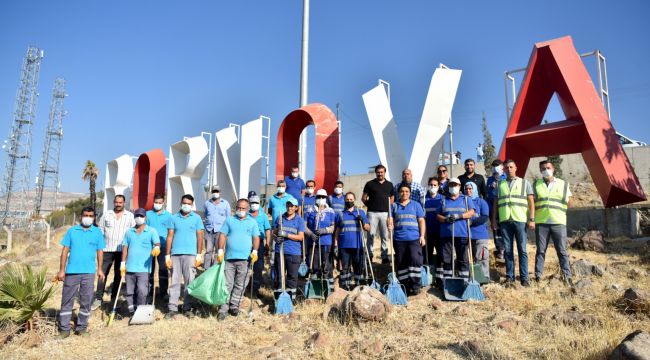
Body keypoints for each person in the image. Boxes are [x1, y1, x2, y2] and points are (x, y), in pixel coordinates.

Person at [56, 207, 105, 338]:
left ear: (94, 217)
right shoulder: (72, 231)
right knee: (67, 300)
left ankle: (82, 328)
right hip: (71, 272)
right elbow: (65, 251)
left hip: (89, 273)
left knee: (86, 300)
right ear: (80, 216)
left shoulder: (97, 233)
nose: (88, 217)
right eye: (85, 215)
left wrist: (100, 269)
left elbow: (100, 252)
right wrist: (62, 270)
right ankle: (64, 329)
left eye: (90, 215)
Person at [491, 159, 535, 287]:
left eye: (511, 167)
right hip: (505, 221)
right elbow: (495, 204)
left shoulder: (524, 183)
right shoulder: (500, 184)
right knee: (508, 250)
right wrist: (494, 220)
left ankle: (524, 278)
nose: (509, 169)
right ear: (504, 170)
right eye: (507, 167)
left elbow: (531, 201)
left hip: (520, 220)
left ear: (515, 168)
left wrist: (532, 219)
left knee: (522, 250)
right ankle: (510, 277)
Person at [216, 199, 260, 321]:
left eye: (243, 208)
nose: (241, 210)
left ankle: (234, 306)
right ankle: (223, 309)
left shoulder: (252, 222)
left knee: (240, 284)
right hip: (229, 258)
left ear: (248, 209)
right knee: (227, 284)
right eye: (239, 208)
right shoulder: (230, 220)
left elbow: (256, 238)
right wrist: (220, 249)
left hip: (245, 259)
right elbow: (223, 235)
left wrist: (255, 251)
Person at [165, 194, 205, 319]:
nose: (186, 205)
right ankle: (172, 308)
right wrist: (167, 255)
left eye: (188, 203)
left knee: (189, 282)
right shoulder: (173, 218)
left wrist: (199, 254)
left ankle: (187, 308)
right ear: (180, 203)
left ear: (192, 205)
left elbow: (200, 236)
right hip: (175, 254)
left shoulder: (197, 218)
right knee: (175, 282)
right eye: (184, 203)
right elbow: (170, 236)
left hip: (191, 255)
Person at [533, 160, 573, 284]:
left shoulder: (563, 184)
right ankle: (538, 276)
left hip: (558, 222)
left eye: (548, 167)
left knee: (562, 251)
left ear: (553, 168)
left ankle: (567, 276)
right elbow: (532, 203)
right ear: (540, 170)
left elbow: (570, 203)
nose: (546, 170)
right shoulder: (535, 185)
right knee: (540, 251)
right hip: (541, 222)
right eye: (543, 168)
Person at [93, 195, 135, 310]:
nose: (118, 204)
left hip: (122, 251)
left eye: (120, 202)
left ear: (124, 203)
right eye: (116, 202)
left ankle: (114, 299)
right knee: (102, 274)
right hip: (107, 250)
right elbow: (100, 230)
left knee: (118, 275)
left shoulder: (130, 216)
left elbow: (133, 232)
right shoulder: (107, 214)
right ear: (113, 202)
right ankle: (98, 298)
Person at [121, 208, 160, 318]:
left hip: (144, 268)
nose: (139, 218)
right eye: (137, 216)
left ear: (145, 218)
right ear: (134, 217)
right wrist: (122, 263)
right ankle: (131, 311)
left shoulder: (151, 231)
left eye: (141, 216)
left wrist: (156, 248)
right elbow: (125, 247)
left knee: (142, 291)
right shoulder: (129, 232)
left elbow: (157, 243)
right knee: (130, 291)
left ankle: (141, 310)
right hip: (130, 267)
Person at [387, 185, 426, 295]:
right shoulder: (393, 206)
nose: (404, 193)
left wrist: (422, 236)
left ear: (410, 193)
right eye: (402, 191)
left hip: (414, 238)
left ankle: (415, 285)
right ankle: (404, 286)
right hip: (399, 239)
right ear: (399, 193)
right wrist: (389, 226)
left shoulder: (416, 205)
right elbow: (390, 220)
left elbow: (421, 221)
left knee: (415, 260)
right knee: (401, 262)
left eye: (407, 191)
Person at [436, 178, 475, 282]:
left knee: (463, 259)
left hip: (462, 234)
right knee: (447, 259)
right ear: (448, 187)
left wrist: (459, 216)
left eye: (455, 185)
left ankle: (464, 281)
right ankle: (448, 281)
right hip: (446, 234)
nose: (453, 187)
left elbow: (471, 212)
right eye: (451, 185)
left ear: (459, 186)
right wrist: (445, 219)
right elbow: (438, 215)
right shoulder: (443, 200)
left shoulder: (466, 199)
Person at [334, 192, 370, 290]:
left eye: (351, 199)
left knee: (358, 266)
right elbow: (337, 231)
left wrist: (362, 221)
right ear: (344, 200)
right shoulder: (340, 214)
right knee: (345, 268)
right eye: (347, 200)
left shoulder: (360, 212)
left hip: (358, 245)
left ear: (354, 200)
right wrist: (336, 244)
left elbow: (367, 228)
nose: (349, 201)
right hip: (344, 246)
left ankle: (358, 286)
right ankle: (345, 287)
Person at [272, 198, 305, 301]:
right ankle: (278, 300)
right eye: (288, 205)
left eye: (292, 206)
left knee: (292, 278)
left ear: (296, 208)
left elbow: (300, 237)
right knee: (279, 277)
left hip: (293, 253)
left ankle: (291, 300)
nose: (289, 208)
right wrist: (275, 236)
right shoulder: (280, 218)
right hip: (280, 252)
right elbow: (274, 232)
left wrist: (286, 235)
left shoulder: (299, 220)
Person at [306, 189, 338, 294]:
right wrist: (311, 234)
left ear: (326, 198)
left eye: (323, 197)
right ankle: (314, 290)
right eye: (319, 197)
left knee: (326, 265)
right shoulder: (310, 210)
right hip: (313, 242)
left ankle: (329, 289)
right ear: (316, 197)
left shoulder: (330, 211)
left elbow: (333, 227)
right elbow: (304, 226)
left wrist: (324, 230)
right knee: (314, 265)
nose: (321, 199)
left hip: (326, 242)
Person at [362, 164, 394, 264]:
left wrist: (389, 211)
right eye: (378, 172)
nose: (380, 174)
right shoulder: (370, 184)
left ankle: (384, 256)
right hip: (372, 213)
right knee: (370, 235)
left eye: (382, 172)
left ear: (385, 172)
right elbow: (363, 198)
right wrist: (370, 205)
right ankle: (369, 256)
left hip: (385, 213)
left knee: (384, 236)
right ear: (376, 173)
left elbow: (392, 198)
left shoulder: (389, 185)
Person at [146, 194, 172, 300]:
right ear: (153, 202)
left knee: (163, 269)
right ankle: (149, 291)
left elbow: (171, 232)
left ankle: (163, 292)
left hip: (163, 246)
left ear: (164, 203)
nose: (158, 204)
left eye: (160, 202)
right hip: (149, 246)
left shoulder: (169, 216)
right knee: (149, 269)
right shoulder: (147, 214)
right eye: (156, 202)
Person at [464, 182, 490, 280]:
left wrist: (471, 222)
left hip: (480, 235)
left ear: (474, 189)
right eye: (466, 189)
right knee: (469, 259)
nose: (468, 191)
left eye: (470, 189)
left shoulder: (481, 202)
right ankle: (471, 278)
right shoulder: (463, 202)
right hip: (466, 235)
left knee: (481, 257)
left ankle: (483, 278)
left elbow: (484, 217)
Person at [248, 194, 271, 296]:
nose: (254, 205)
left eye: (256, 203)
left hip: (260, 243)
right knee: (247, 265)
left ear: (259, 204)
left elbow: (267, 230)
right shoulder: (246, 215)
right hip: (247, 243)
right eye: (252, 203)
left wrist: (267, 244)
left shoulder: (263, 215)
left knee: (258, 266)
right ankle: (246, 286)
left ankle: (256, 288)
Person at [203, 186, 231, 269]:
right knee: (208, 250)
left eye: (217, 191)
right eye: (214, 191)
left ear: (220, 192)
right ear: (212, 192)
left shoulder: (225, 203)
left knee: (218, 250)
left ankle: (215, 268)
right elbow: (205, 215)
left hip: (220, 231)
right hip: (209, 230)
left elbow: (228, 217)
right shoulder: (207, 203)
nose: (215, 193)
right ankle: (206, 269)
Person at [424, 177, 444, 287]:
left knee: (441, 256)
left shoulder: (442, 199)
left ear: (438, 186)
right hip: (428, 233)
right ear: (428, 185)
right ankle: (430, 278)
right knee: (428, 255)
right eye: (431, 184)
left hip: (440, 233)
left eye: (435, 185)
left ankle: (440, 279)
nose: (433, 187)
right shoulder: (423, 200)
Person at [486, 159, 506, 261]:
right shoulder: (490, 179)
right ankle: (499, 250)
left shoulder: (506, 177)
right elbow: (487, 194)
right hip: (492, 209)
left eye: (497, 165)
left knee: (505, 230)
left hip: (504, 209)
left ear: (502, 166)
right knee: (495, 229)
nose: (495, 167)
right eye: (494, 166)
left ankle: (506, 249)